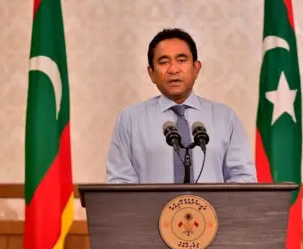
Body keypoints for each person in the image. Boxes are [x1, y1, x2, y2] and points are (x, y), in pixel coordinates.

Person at [106, 28, 256, 184]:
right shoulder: (130, 119)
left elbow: (243, 178)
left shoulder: (225, 117)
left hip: (214, 209)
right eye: (164, 62)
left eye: (182, 60)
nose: (173, 69)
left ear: (196, 68)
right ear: (151, 73)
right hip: (151, 209)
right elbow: (119, 183)